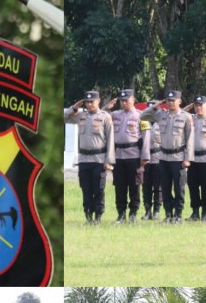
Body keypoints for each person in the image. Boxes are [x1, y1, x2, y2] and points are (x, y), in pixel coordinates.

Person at [141, 90, 192, 223]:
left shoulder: (186, 117)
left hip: (178, 158)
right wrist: (156, 105)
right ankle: (168, 214)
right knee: (165, 187)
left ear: (179, 101)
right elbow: (143, 115)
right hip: (163, 157)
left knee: (179, 188)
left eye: (173, 100)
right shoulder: (161, 115)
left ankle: (178, 215)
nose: (170, 103)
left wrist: (188, 158)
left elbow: (190, 139)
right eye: (168, 100)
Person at [65, 91, 114, 223]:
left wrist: (109, 161)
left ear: (99, 101)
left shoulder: (105, 117)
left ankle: (98, 215)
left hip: (99, 159)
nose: (89, 104)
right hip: (83, 159)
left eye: (92, 101)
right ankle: (88, 215)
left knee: (98, 189)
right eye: (87, 102)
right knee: (86, 188)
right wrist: (74, 108)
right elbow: (63, 118)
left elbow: (110, 139)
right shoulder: (81, 116)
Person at [107, 89, 144, 222]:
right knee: (120, 186)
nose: (123, 103)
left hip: (134, 155)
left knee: (134, 186)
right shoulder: (115, 115)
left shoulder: (141, 115)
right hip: (118, 156)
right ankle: (121, 213)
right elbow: (100, 117)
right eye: (121, 101)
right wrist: (107, 107)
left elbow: (145, 137)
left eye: (126, 100)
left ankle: (133, 213)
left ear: (133, 99)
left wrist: (144, 157)